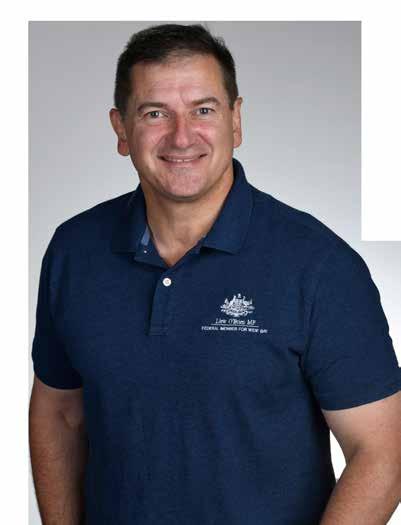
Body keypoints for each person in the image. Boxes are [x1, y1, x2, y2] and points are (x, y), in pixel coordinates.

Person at [29, 23, 401, 525]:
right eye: (155, 113)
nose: (181, 136)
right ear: (121, 129)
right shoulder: (75, 251)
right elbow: (59, 413)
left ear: (236, 120)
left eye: (203, 110)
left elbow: (384, 451)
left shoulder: (319, 266)